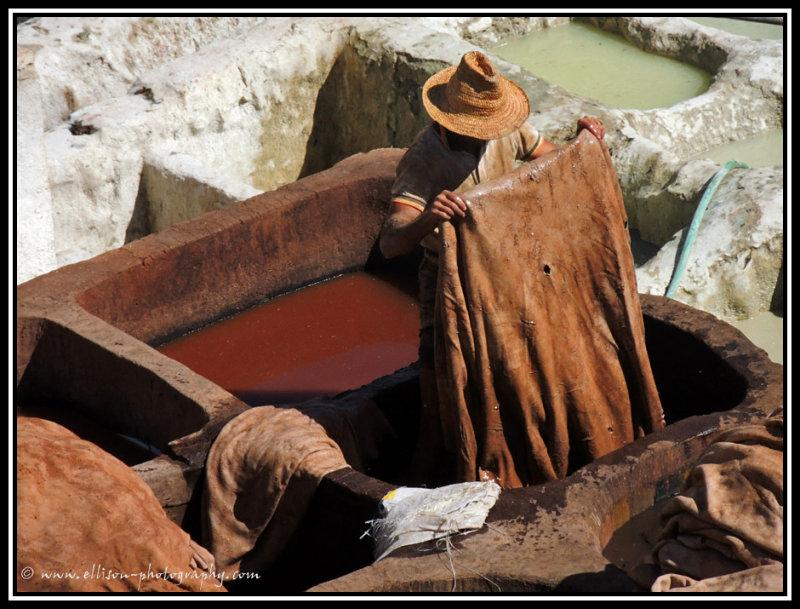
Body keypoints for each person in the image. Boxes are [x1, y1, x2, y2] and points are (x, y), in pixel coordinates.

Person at [378, 50, 606, 484]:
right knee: (438, 407)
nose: (484, 139)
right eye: (474, 132)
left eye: (489, 130)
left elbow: (553, 166)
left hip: (504, 275)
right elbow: (390, 243)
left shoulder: (508, 131)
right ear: (448, 121)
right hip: (448, 283)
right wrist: (430, 215)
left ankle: (512, 468)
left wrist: (583, 144)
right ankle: (420, 489)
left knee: (518, 386)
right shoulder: (423, 160)